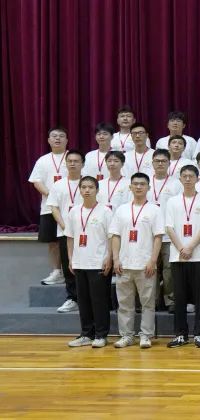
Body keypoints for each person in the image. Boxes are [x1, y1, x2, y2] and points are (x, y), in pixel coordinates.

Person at [109, 172, 164, 349]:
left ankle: (146, 335)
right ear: (130, 187)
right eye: (135, 184)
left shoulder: (155, 210)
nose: (139, 187)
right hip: (124, 264)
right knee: (124, 304)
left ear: (148, 187)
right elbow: (115, 235)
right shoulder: (122, 210)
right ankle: (126, 335)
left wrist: (153, 260)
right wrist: (116, 259)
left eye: (142, 184)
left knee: (148, 303)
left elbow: (158, 237)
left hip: (145, 265)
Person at [164, 165, 200, 348]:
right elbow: (169, 227)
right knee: (179, 297)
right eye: (185, 176)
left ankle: (199, 334)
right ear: (180, 179)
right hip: (178, 256)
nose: (188, 179)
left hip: (198, 255)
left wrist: (190, 247)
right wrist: (181, 248)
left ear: (197, 178)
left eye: (191, 176)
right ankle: (180, 334)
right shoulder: (172, 201)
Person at [64, 176, 114, 348]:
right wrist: (70, 258)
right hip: (79, 262)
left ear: (97, 190)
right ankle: (86, 334)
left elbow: (111, 237)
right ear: (79, 189)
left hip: (98, 262)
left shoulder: (105, 211)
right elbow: (70, 237)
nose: (87, 190)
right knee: (83, 301)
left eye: (90, 187)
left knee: (99, 301)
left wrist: (109, 257)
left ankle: (101, 335)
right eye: (83, 187)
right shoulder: (74, 211)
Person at [28, 127, 71, 290]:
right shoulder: (43, 160)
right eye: (54, 136)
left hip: (71, 207)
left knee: (71, 240)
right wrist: (52, 196)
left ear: (67, 140)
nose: (58, 138)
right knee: (53, 242)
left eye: (61, 136)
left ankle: (73, 271)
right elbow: (36, 181)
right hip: (49, 208)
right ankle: (57, 272)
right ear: (48, 140)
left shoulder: (72, 157)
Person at [46, 150, 85, 313]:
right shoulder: (58, 185)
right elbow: (54, 207)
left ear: (82, 164)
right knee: (69, 266)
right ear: (66, 163)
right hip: (64, 232)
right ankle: (72, 298)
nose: (73, 164)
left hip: (87, 233)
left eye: (76, 161)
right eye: (70, 161)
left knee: (88, 266)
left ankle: (88, 299)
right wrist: (64, 226)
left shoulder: (88, 183)